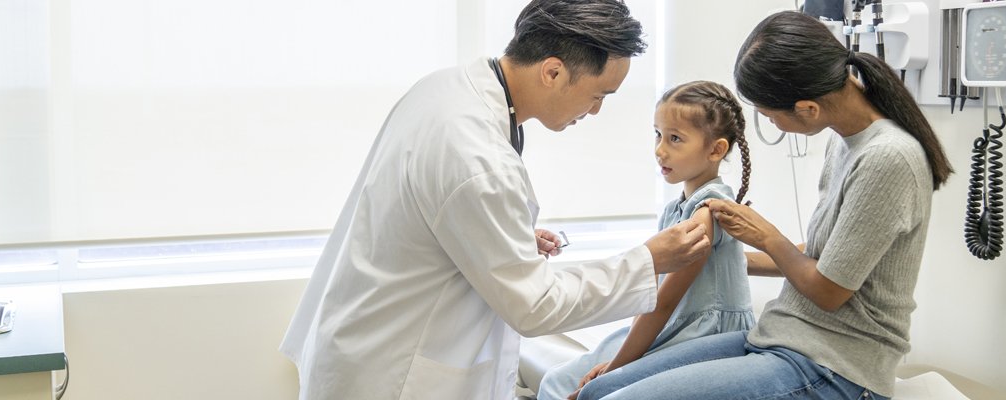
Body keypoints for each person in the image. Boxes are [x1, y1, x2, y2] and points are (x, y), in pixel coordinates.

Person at [279, 1, 713, 399]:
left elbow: (429, 214)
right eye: (599, 94)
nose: (596, 111)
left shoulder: (447, 89)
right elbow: (536, 305)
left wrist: (505, 237)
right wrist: (648, 261)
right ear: (553, 72)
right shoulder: (478, 157)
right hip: (395, 373)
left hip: (368, 338)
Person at [576, 10, 954, 400]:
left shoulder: (887, 157)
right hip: (779, 337)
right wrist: (727, 259)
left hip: (836, 367)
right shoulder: (844, 144)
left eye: (768, 115)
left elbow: (829, 290)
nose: (765, 122)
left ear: (808, 108)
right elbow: (828, 257)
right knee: (599, 390)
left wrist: (765, 235)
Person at [538, 81, 756, 400]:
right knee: (555, 382)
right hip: (673, 327)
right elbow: (651, 293)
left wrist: (616, 366)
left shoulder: (707, 214)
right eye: (658, 134)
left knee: (593, 390)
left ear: (716, 150)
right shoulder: (674, 210)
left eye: (675, 139)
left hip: (704, 337)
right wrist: (620, 356)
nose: (660, 149)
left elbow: (665, 303)